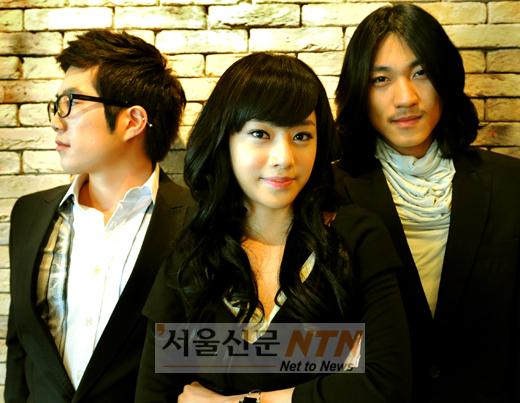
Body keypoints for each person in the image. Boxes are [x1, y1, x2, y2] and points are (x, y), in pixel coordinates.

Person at [135, 52, 411, 403]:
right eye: (260, 134)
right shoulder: (194, 251)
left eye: (301, 136)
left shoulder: (355, 238)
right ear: (225, 139)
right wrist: (339, 363)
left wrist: (237, 401)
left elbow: (387, 385)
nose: (284, 158)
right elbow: (156, 393)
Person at [334, 4, 520, 402]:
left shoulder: (510, 184)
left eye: (421, 73)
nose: (406, 98)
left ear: (446, 78)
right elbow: (307, 337)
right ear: (359, 91)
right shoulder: (328, 193)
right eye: (381, 79)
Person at [5, 30, 192, 402]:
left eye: (71, 103)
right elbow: (21, 350)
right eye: (56, 105)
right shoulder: (30, 214)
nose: (57, 121)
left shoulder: (195, 221)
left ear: (132, 121)